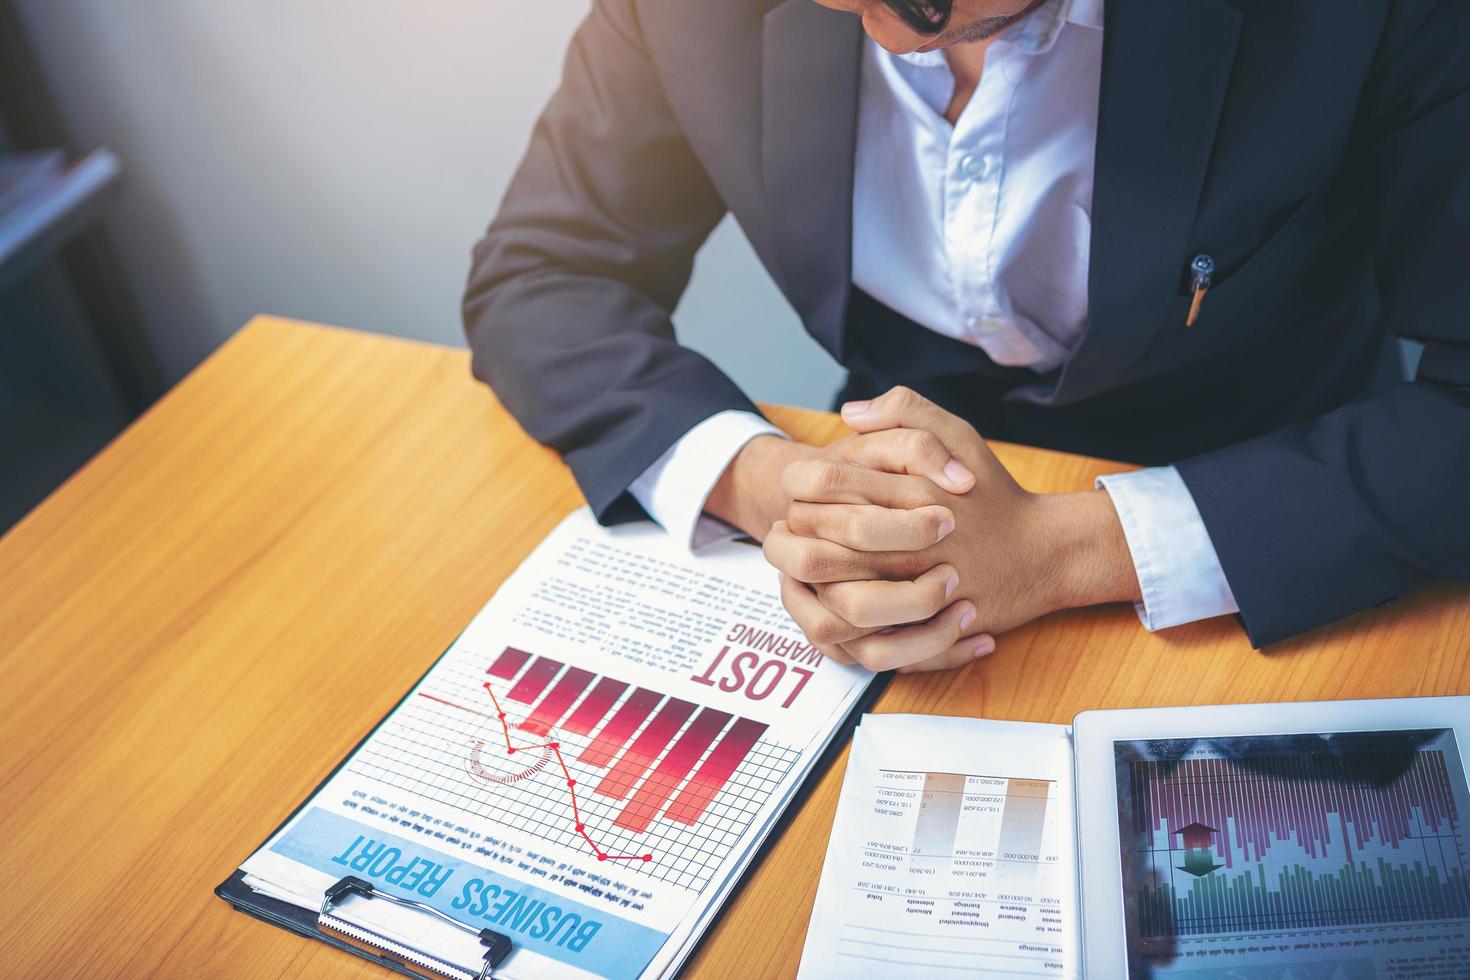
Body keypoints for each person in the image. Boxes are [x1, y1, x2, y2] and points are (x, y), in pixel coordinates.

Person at [462, 0, 1470, 668]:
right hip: (887, 533)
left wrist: (1064, 549)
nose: (888, 34)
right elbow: (545, 271)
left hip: (1287, 516)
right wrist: (777, 487)